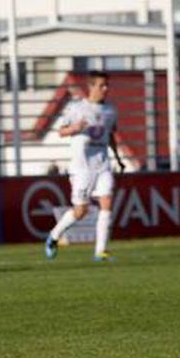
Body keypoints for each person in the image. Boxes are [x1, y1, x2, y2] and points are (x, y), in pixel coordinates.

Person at [44, 71, 125, 262]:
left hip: (103, 164)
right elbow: (61, 132)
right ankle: (54, 236)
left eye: (107, 85)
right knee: (81, 210)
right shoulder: (77, 108)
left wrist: (117, 158)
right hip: (81, 168)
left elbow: (110, 135)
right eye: (101, 85)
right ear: (91, 87)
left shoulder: (110, 111)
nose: (105, 89)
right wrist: (75, 128)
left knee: (107, 202)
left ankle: (100, 251)